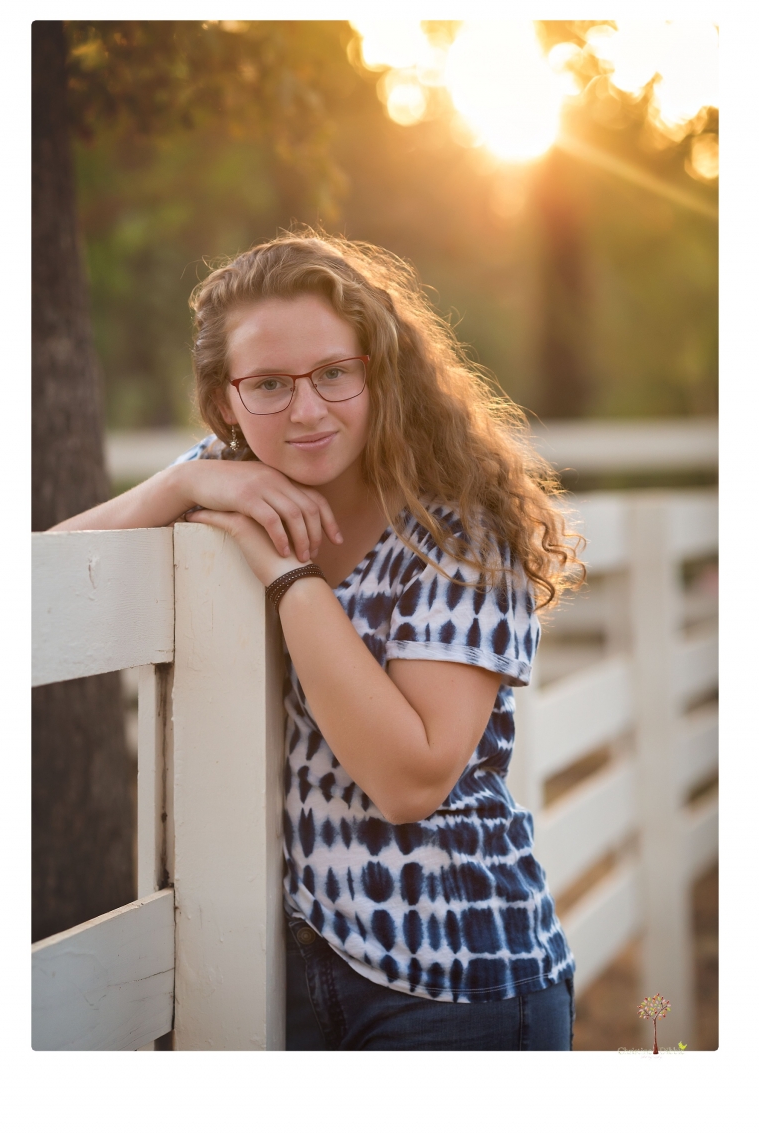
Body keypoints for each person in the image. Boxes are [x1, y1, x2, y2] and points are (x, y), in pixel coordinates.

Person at [51, 230, 584, 1050]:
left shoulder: (458, 534)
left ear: (380, 371)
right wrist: (188, 480)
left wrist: (285, 573)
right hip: (285, 978)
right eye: (268, 384)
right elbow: (44, 581)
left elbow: (411, 780)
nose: (306, 410)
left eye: (334, 373)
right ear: (225, 400)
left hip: (453, 983)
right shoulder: (227, 478)